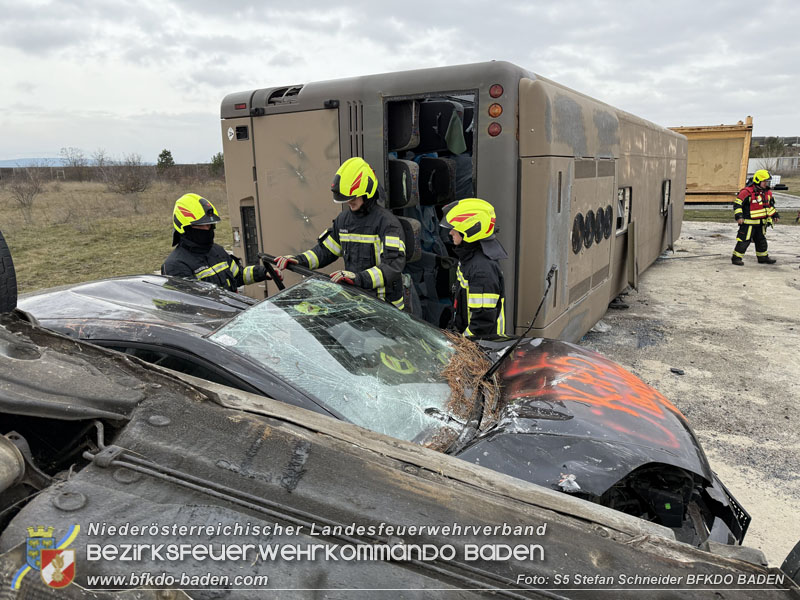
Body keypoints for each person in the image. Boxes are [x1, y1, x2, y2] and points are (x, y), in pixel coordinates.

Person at [274, 157, 407, 309]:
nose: (349, 202)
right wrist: (299, 260)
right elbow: (325, 251)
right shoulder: (344, 220)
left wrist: (358, 279)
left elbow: (391, 267)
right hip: (358, 304)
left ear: (368, 192)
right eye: (347, 198)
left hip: (385, 309)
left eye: (353, 197)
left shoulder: (387, 224)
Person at [162, 193, 274, 291]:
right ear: (184, 228)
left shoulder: (217, 251)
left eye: (210, 225)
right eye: (201, 226)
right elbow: (191, 303)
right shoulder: (175, 266)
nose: (207, 229)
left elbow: (238, 275)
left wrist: (264, 272)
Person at [439, 198, 508, 338]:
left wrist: (462, 344)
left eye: (455, 228)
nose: (451, 232)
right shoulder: (470, 258)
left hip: (481, 346)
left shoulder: (482, 270)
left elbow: (481, 325)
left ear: (470, 230)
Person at [731, 169, 780, 265]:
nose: (766, 183)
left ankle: (763, 258)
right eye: (764, 181)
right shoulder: (746, 192)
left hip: (761, 223)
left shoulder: (767, 193)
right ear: (758, 181)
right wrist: (739, 216)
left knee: (761, 241)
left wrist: (775, 215)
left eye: (767, 181)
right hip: (748, 223)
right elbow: (737, 205)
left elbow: (770, 206)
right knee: (744, 240)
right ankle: (736, 258)